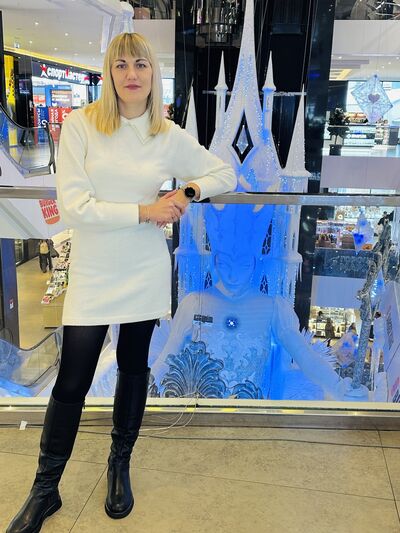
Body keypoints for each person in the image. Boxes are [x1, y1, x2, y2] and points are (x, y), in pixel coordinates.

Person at [7, 32, 236, 533]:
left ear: (153, 73)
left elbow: (225, 174)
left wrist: (187, 192)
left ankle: (119, 464)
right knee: (72, 379)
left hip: (143, 268)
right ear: (109, 73)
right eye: (121, 64)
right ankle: (45, 489)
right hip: (94, 268)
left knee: (133, 367)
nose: (132, 74)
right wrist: (147, 210)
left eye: (141, 64)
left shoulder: (165, 133)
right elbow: (74, 207)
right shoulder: (81, 125)